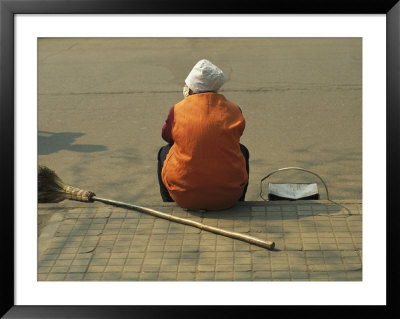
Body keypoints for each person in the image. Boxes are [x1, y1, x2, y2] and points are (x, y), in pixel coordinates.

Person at [157, 59, 249, 211]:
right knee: (242, 150)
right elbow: (236, 136)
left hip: (184, 196)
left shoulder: (178, 109)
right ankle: (240, 202)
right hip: (228, 197)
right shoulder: (234, 109)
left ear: (192, 89)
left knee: (164, 151)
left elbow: (167, 137)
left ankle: (168, 204)